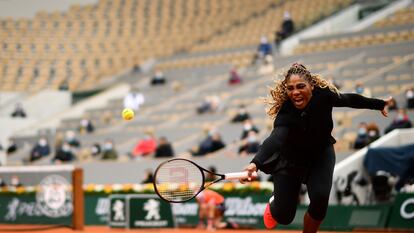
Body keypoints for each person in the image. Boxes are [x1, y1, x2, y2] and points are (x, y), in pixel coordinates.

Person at [239, 63, 392, 232]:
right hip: (291, 160)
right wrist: (255, 163)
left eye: (300, 86)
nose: (295, 92)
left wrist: (379, 104)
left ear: (311, 86)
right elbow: (275, 140)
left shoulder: (324, 95)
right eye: (290, 88)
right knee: (284, 217)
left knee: (320, 201)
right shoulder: (286, 113)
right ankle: (273, 203)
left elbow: (349, 99)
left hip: (320, 155)